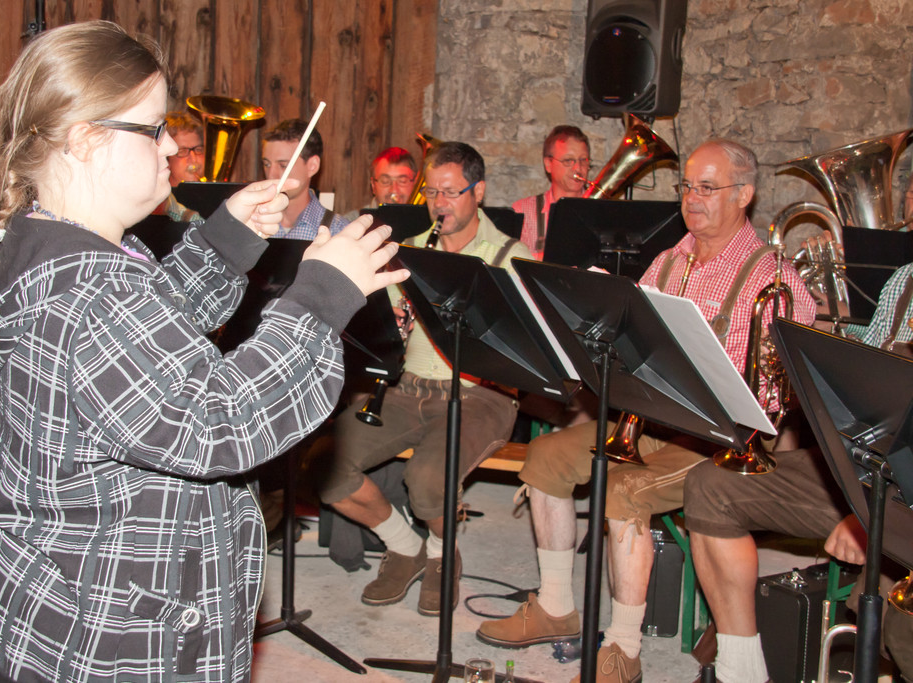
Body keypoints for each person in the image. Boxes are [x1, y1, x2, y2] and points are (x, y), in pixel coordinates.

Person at [0, 20, 407, 682]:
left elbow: (142, 351)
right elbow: (221, 421)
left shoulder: (51, 242)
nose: (170, 145)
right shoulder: (93, 291)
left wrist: (223, 243)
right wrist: (322, 296)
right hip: (100, 642)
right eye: (154, 128)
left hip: (31, 608)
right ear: (85, 139)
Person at [476, 139, 817, 682]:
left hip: (723, 439)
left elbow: (780, 393)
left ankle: (624, 648)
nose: (692, 198)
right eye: (687, 186)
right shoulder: (670, 259)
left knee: (625, 490)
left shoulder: (771, 276)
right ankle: (557, 606)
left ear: (744, 194)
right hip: (655, 417)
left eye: (708, 188)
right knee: (545, 457)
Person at [319, 141, 531, 617]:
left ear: (479, 191)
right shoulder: (411, 251)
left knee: (428, 481)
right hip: (407, 387)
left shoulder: (509, 256)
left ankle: (441, 553)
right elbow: (380, 329)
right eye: (432, 192)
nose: (439, 203)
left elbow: (523, 345)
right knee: (326, 468)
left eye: (451, 192)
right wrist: (390, 324)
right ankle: (404, 546)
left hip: (479, 396)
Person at [683, 254, 913, 683]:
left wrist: (867, 517)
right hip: (865, 466)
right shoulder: (905, 278)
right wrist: (817, 334)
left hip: (899, 495)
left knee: (897, 621)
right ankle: (741, 671)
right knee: (711, 485)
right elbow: (869, 353)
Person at [261, 118, 349, 239]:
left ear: (312, 166)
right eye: (267, 164)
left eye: (283, 165)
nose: (271, 175)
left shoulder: (338, 232)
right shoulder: (252, 225)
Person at [512, 125, 591, 259]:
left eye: (583, 160)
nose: (578, 168)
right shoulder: (522, 211)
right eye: (568, 160)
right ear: (548, 164)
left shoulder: (603, 212)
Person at [342, 146, 418, 222]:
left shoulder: (423, 221)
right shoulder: (349, 222)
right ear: (373, 186)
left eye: (402, 181)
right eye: (385, 181)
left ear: (414, 184)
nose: (394, 190)